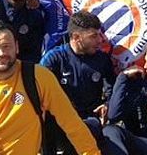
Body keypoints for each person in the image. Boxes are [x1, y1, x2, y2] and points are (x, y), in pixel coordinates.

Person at [0, 21, 101, 154]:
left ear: (16, 47)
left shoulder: (40, 77)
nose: (1, 53)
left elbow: (71, 123)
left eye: (7, 46)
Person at [41, 11, 115, 154]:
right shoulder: (55, 58)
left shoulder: (102, 59)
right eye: (94, 36)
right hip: (59, 120)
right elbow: (40, 91)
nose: (100, 40)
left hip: (89, 119)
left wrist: (107, 104)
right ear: (76, 37)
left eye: (99, 34)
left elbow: (111, 87)